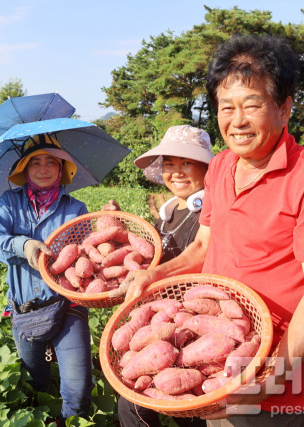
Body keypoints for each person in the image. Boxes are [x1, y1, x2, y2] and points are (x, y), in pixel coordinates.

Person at [118, 34, 304, 426]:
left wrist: (270, 377)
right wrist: (154, 274)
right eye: (226, 107)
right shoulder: (223, 166)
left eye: (252, 105)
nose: (238, 120)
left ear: (284, 109)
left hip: (274, 371)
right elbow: (202, 246)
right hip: (219, 350)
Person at [104, 125, 214, 427]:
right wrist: (117, 226)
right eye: (169, 164)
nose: (176, 172)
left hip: (190, 323)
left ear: (206, 168)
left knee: (186, 406)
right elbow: (152, 254)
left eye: (187, 163)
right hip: (159, 319)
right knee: (151, 403)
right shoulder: (167, 214)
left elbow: (199, 256)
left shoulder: (208, 213)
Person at [0, 136, 92, 422]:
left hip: (69, 305)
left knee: (79, 388)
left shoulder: (75, 208)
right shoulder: (8, 203)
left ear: (61, 169)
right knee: (36, 384)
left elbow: (89, 255)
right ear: (25, 168)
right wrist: (24, 245)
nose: (43, 169)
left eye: (51, 162)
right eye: (35, 162)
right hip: (26, 308)